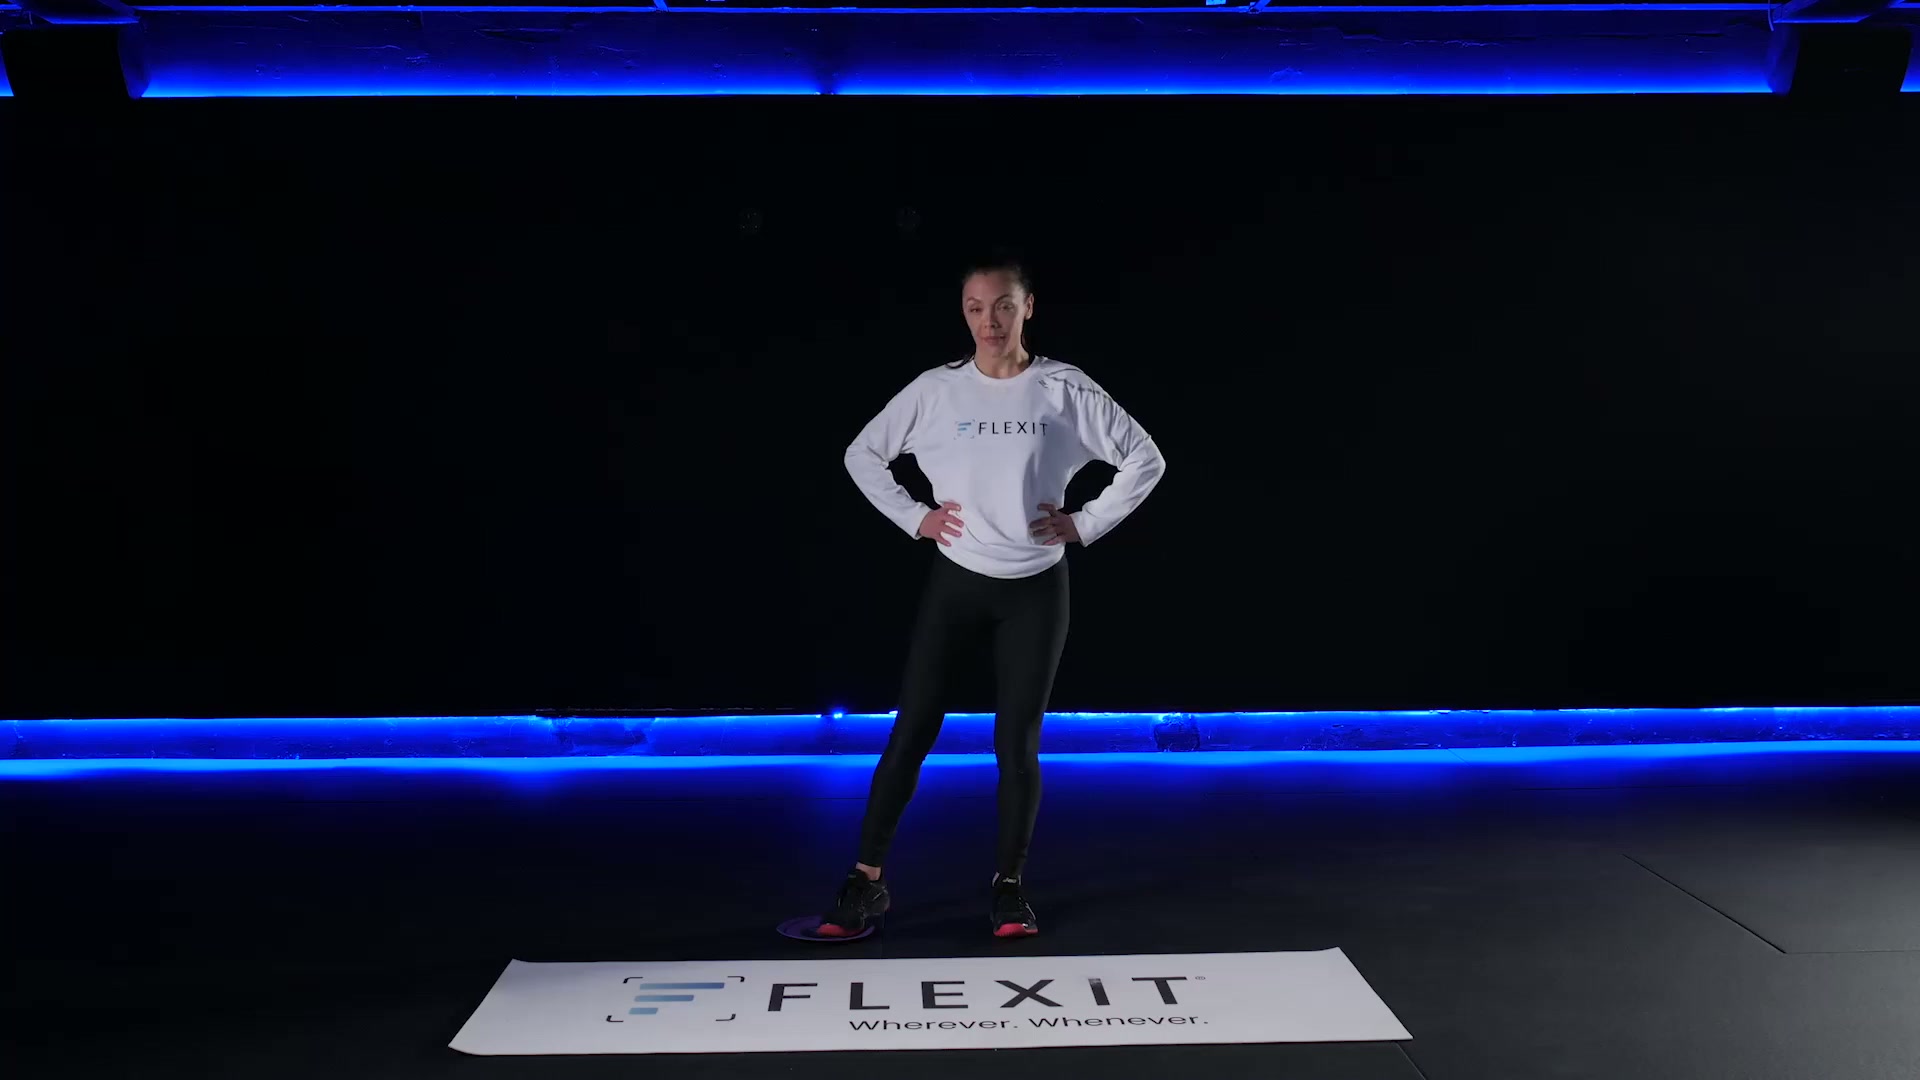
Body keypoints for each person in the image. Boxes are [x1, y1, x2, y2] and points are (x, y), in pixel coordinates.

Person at [819, 255, 1168, 939]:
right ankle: (865, 881)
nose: (990, 321)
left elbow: (1145, 458)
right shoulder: (936, 391)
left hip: (1036, 588)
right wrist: (915, 517)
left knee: (1017, 742)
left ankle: (1009, 887)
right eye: (976, 308)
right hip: (957, 581)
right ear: (964, 313)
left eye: (1004, 305)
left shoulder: (1063, 388)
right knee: (913, 728)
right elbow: (863, 454)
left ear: (1027, 307)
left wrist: (1086, 522)